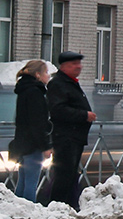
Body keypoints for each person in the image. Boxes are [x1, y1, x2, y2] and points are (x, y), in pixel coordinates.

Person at [47, 51, 96, 209]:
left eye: (79, 63)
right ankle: (58, 208)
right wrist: (84, 115)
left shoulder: (70, 82)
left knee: (70, 176)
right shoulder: (59, 83)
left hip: (74, 137)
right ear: (64, 66)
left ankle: (67, 206)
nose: (78, 67)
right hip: (65, 137)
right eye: (74, 64)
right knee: (64, 176)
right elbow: (58, 110)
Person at [12, 60, 52, 202]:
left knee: (23, 181)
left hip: (23, 143)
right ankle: (29, 216)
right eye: (46, 72)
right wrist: (45, 146)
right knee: (31, 183)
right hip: (33, 144)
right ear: (38, 75)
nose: (48, 76)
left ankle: (18, 212)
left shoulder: (24, 90)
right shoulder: (35, 93)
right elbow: (38, 123)